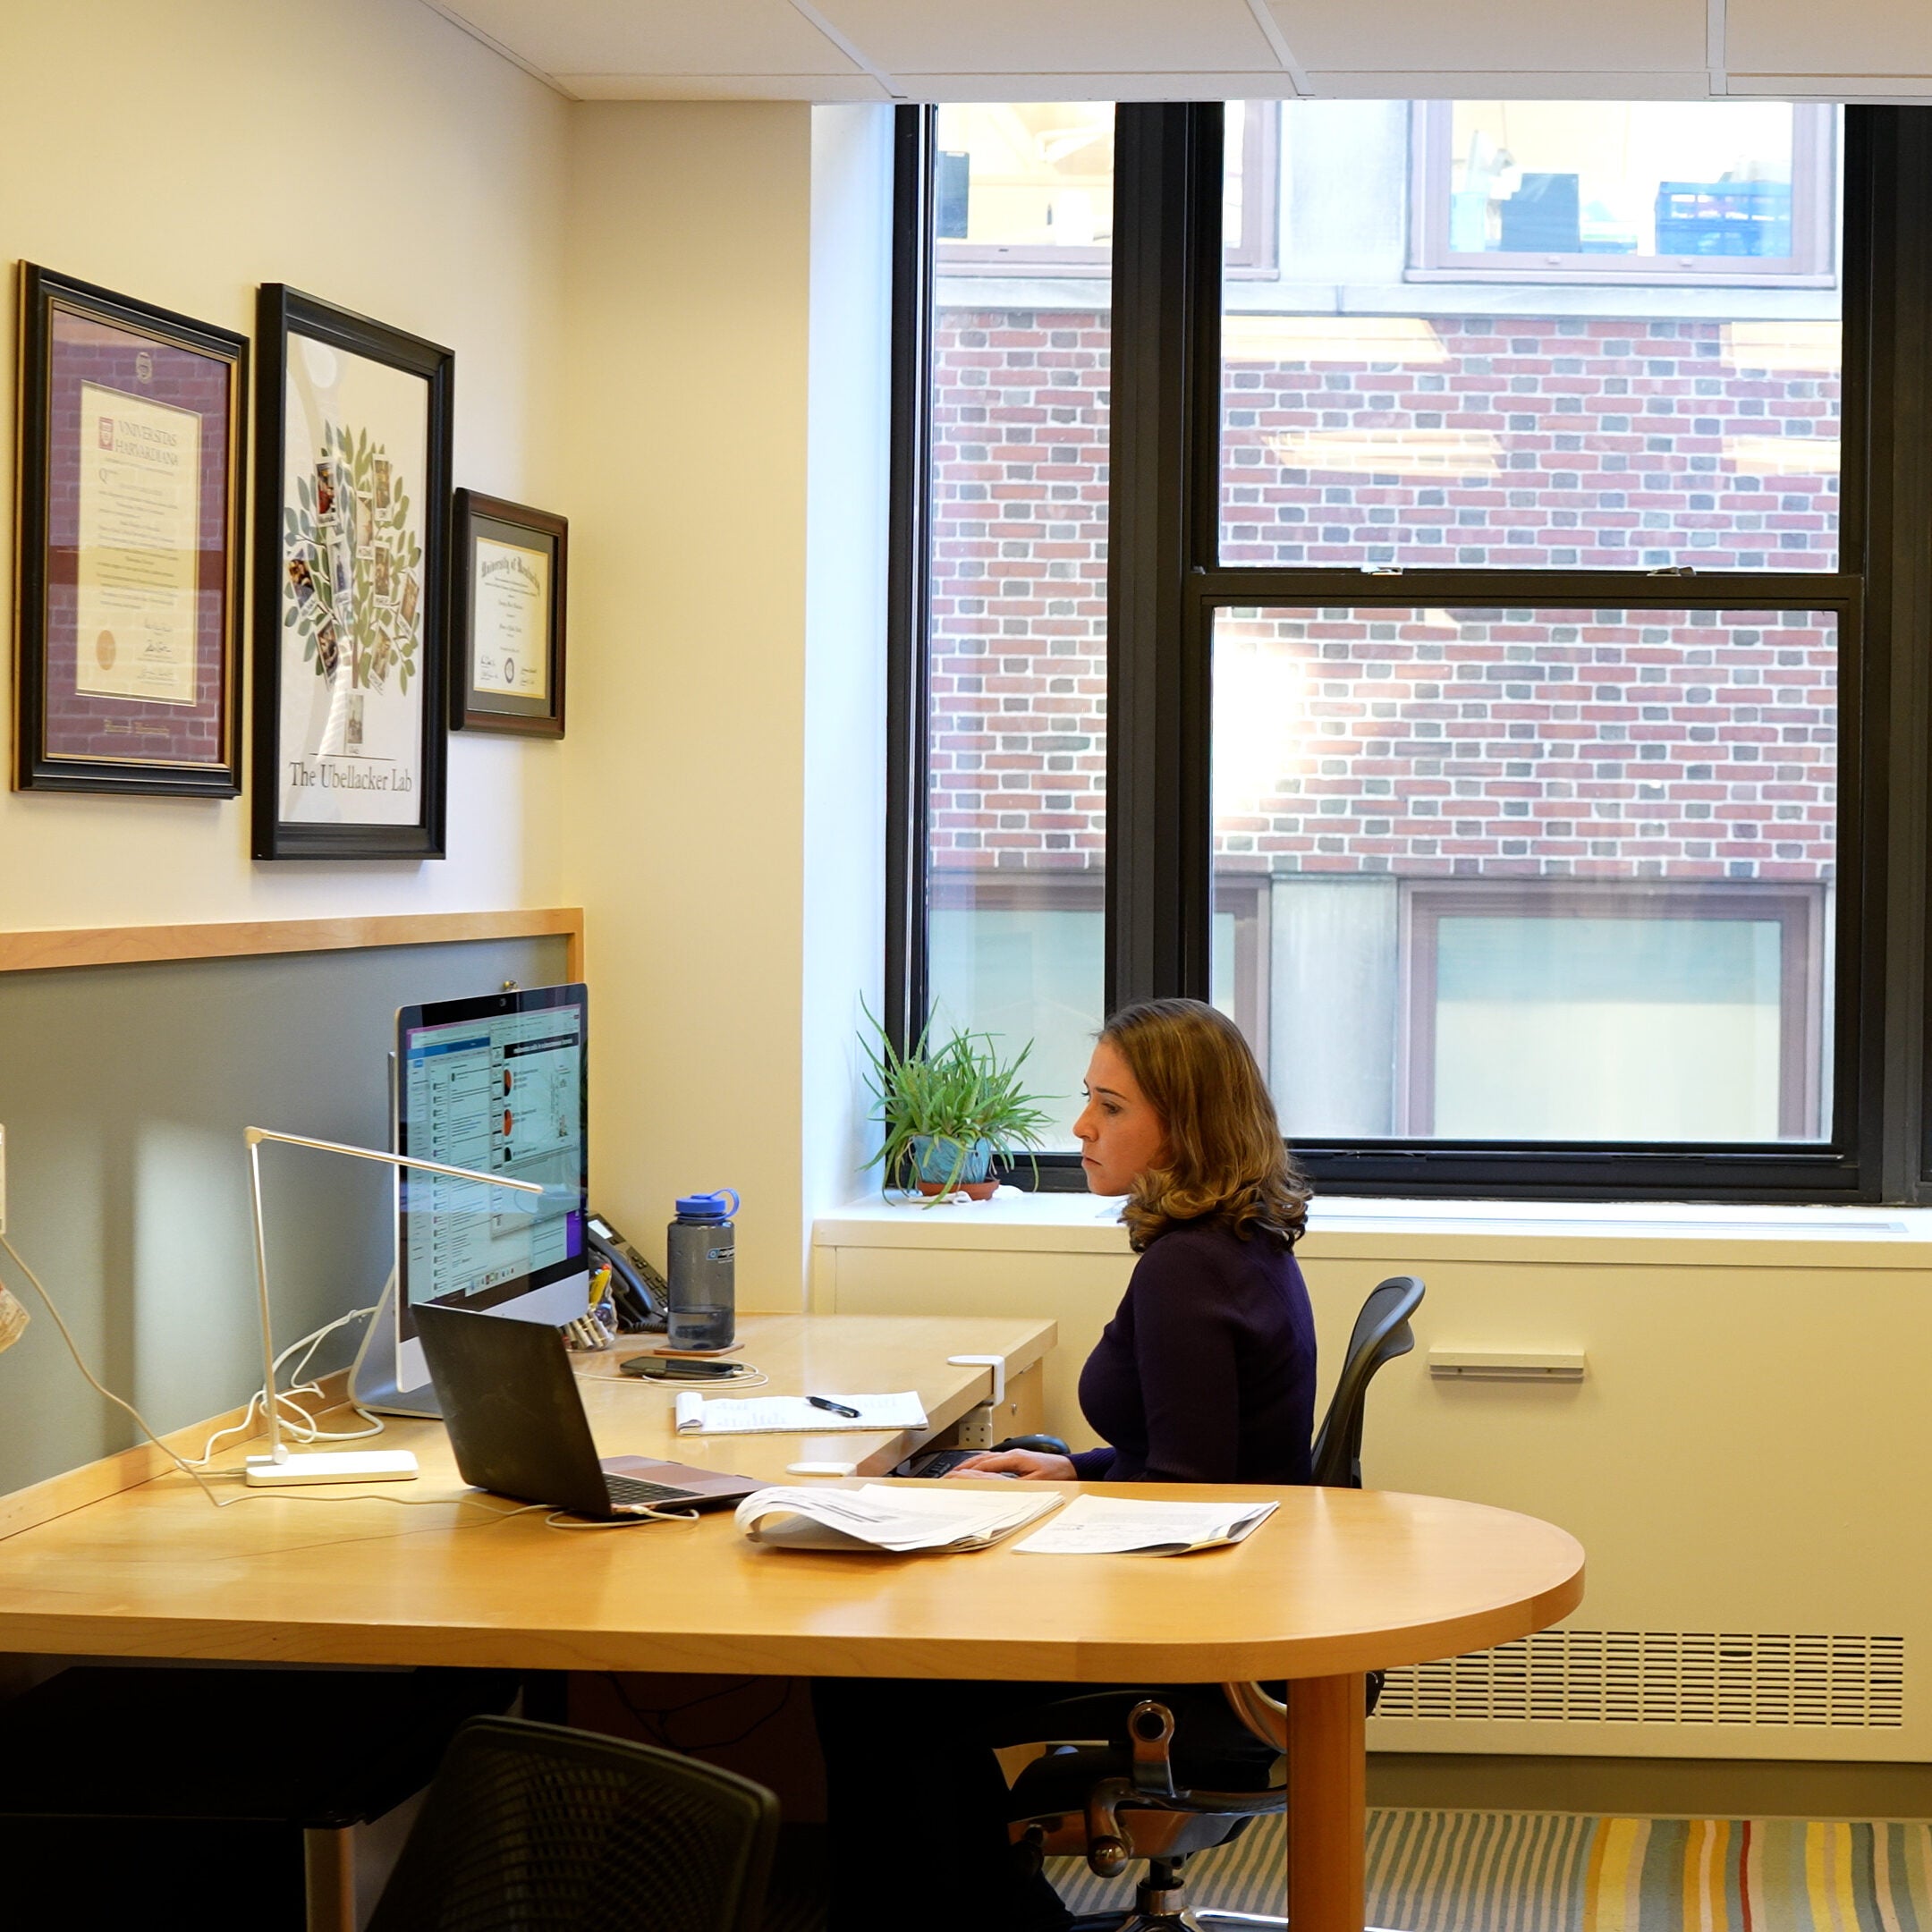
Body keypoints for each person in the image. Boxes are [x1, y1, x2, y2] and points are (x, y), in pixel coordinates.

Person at [812, 998, 1316, 1932]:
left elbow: (1187, 1497)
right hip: (1229, 1601)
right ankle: (989, 1904)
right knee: (888, 1667)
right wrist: (1075, 1474)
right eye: (1089, 1099)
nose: (1082, 1125)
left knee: (869, 1674)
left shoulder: (1188, 1268)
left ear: (1187, 1124)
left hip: (1199, 1643)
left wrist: (1020, 1531)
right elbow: (1192, 1455)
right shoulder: (1234, 1242)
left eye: (1112, 1107)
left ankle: (971, 1913)